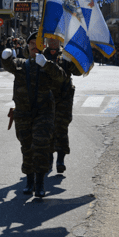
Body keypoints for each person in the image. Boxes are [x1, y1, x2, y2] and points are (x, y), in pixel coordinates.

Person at [1, 32, 66, 197]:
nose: (33, 47)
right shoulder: (21, 64)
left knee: (41, 146)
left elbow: (61, 77)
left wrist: (46, 65)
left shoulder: (48, 64)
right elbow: (9, 65)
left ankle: (40, 183)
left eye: (37, 44)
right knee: (27, 147)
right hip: (23, 113)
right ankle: (29, 181)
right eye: (31, 44)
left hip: (43, 112)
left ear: (42, 46)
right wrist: (5, 56)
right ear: (27, 46)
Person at [43, 37, 82, 173]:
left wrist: (73, 59)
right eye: (50, 39)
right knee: (47, 129)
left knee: (61, 129)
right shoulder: (42, 55)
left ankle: (61, 159)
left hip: (64, 99)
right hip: (46, 99)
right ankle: (48, 159)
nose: (53, 42)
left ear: (60, 41)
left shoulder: (65, 56)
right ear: (47, 40)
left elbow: (78, 72)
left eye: (56, 39)